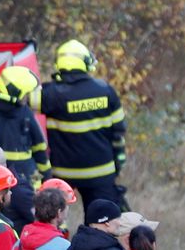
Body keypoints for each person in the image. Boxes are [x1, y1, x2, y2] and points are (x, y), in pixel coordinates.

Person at [40, 40, 127, 209]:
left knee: (53, 217)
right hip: (101, 173)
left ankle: (59, 235)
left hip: (64, 173)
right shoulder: (105, 90)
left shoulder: (50, 94)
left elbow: (22, 101)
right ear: (85, 63)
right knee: (102, 223)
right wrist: (119, 161)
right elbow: (119, 130)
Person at [0, 65, 49, 231]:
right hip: (23, 180)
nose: (28, 98)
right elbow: (39, 147)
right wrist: (46, 175)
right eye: (27, 94)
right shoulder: (25, 113)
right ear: (16, 94)